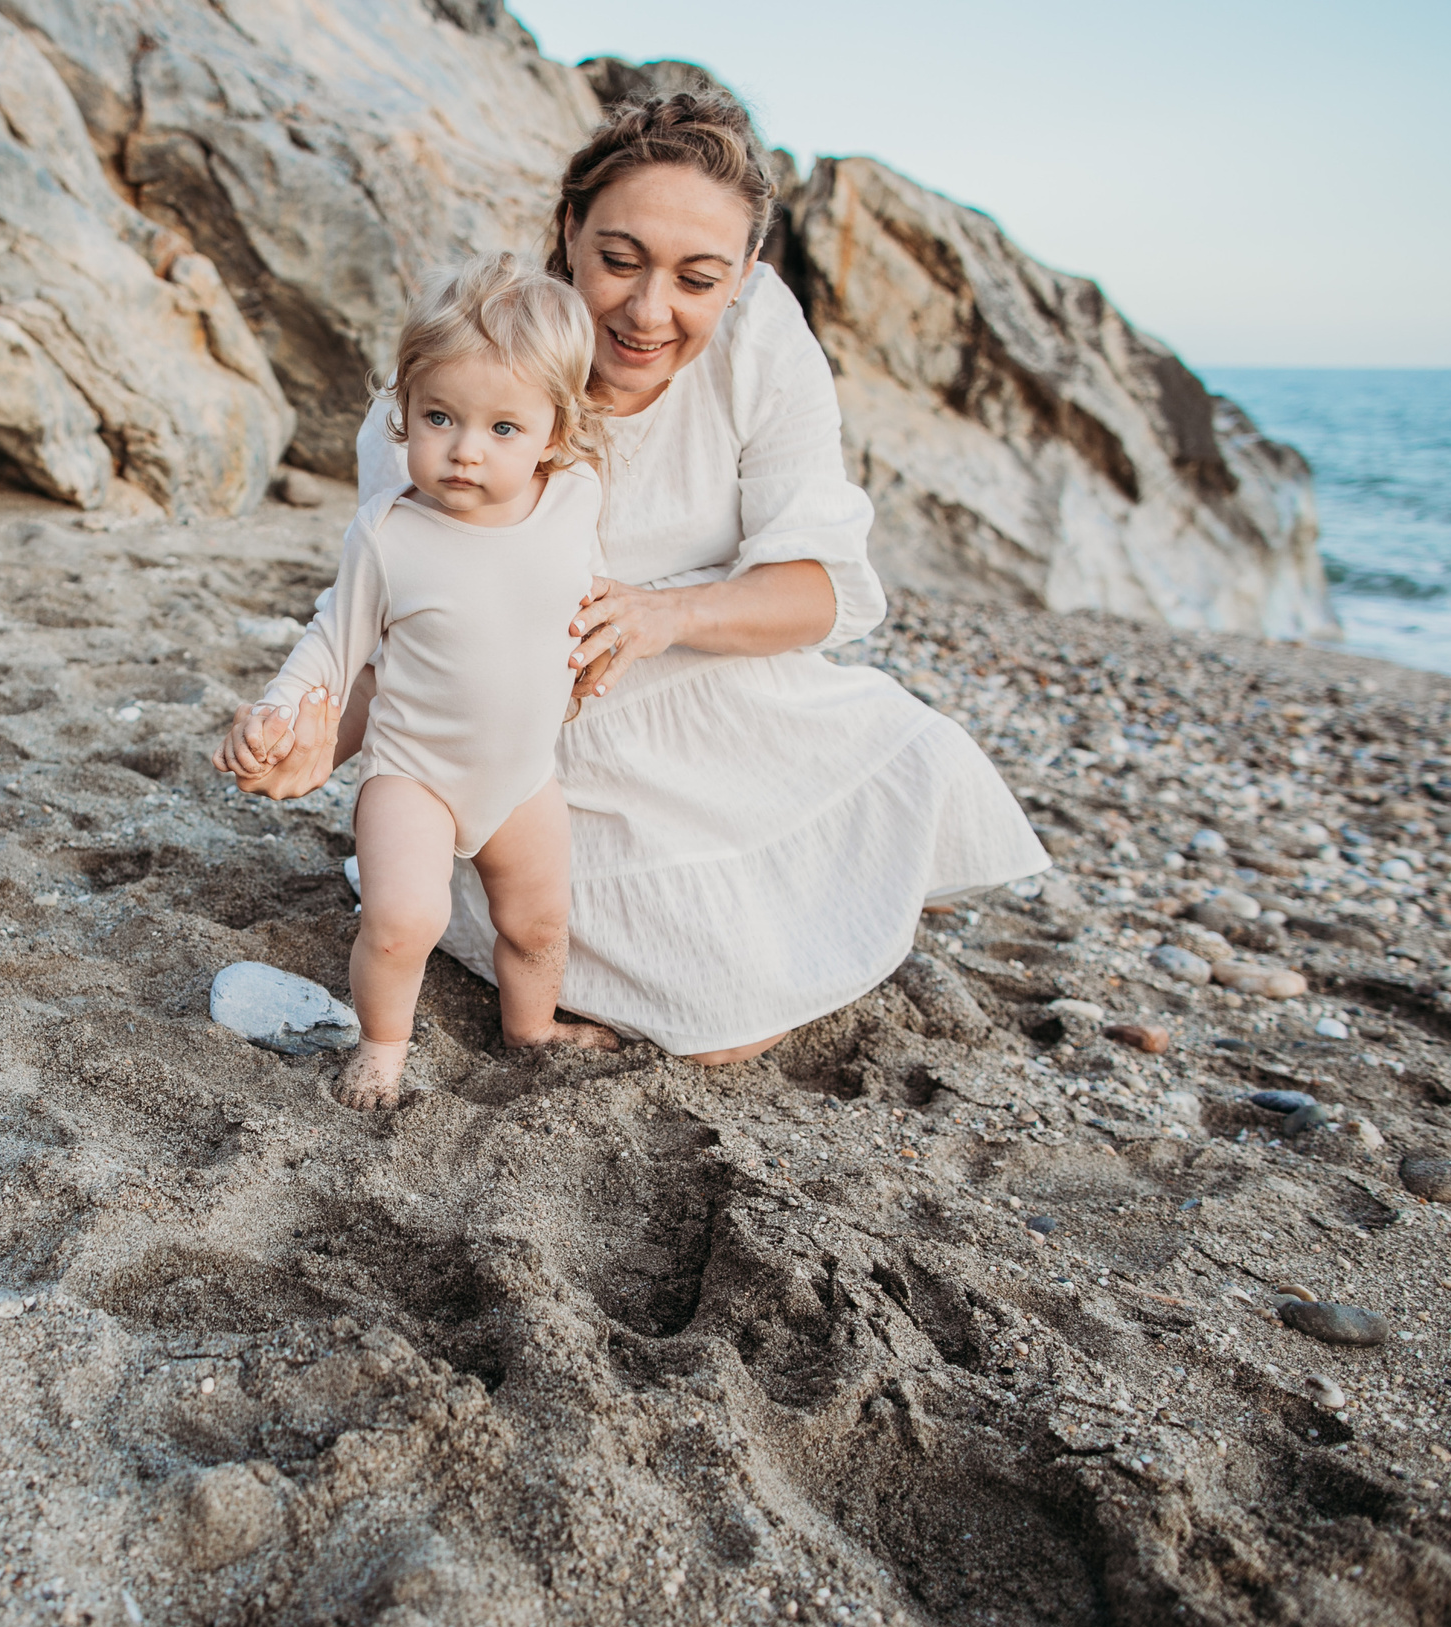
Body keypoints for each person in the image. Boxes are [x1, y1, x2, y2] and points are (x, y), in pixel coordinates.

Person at [227, 89, 1049, 1065]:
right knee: (724, 1031)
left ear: (745, 272)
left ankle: (795, 901)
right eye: (618, 261)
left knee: (923, 770)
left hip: (720, 682)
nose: (647, 312)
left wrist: (662, 616)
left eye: (698, 278)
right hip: (542, 748)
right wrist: (313, 736)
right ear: (568, 229)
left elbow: (823, 592)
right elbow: (384, 627)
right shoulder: (456, 398)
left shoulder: (762, 342)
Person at [213, 253, 620, 1109]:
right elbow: (333, 642)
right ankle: (383, 1044)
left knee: (540, 926)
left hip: (523, 772)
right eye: (440, 416)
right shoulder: (390, 535)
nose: (466, 450)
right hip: (415, 773)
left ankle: (531, 1028)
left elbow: (581, 585)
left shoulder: (575, 495)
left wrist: (594, 645)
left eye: (503, 429)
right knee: (403, 923)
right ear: (404, 410)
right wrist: (281, 715)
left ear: (555, 431)